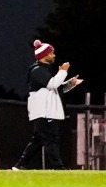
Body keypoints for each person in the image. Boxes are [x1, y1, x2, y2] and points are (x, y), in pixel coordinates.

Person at [14, 40, 82, 170]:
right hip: (44, 111)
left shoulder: (44, 69)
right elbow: (52, 84)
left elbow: (57, 88)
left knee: (38, 140)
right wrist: (63, 72)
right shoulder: (37, 70)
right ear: (44, 55)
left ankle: (20, 165)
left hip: (46, 111)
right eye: (51, 53)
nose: (54, 55)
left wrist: (70, 83)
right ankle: (58, 167)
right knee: (51, 139)